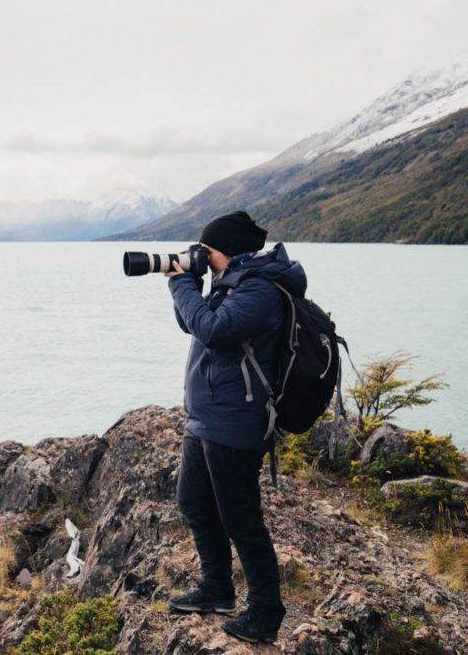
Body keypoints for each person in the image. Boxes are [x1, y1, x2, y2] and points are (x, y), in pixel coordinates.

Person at [164, 210, 304, 644]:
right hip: (206, 416)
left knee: (240, 519)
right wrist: (191, 282)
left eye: (205, 251)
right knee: (194, 502)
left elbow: (213, 329)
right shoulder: (231, 282)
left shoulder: (260, 288)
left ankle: (265, 612)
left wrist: (181, 283)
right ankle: (217, 590)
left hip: (236, 422)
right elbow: (193, 323)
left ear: (225, 250)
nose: (201, 256)